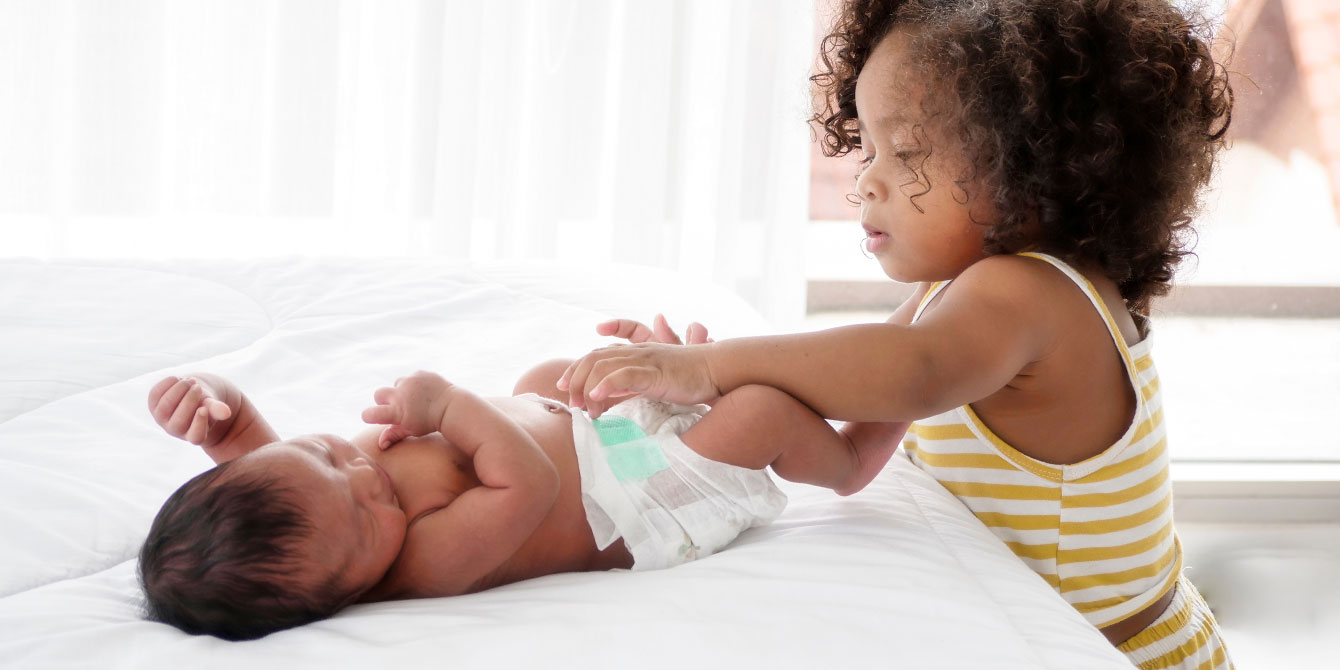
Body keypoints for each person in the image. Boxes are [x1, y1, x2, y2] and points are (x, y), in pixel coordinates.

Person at [558, 1, 1235, 668]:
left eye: (905, 152)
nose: (868, 179)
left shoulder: (1032, 295)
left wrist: (708, 364)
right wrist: (705, 397)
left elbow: (905, 370)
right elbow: (851, 455)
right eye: (868, 147)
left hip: (1117, 653)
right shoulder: (961, 294)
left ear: (1031, 164)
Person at [137, 341, 898, 641]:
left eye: (327, 452)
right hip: (637, 499)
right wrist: (449, 408)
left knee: (541, 381)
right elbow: (526, 485)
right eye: (371, 518)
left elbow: (269, 475)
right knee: (760, 413)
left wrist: (220, 410)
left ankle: (690, 387)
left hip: (607, 445)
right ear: (345, 594)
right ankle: (854, 453)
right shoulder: (428, 561)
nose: (365, 475)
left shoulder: (320, 504)